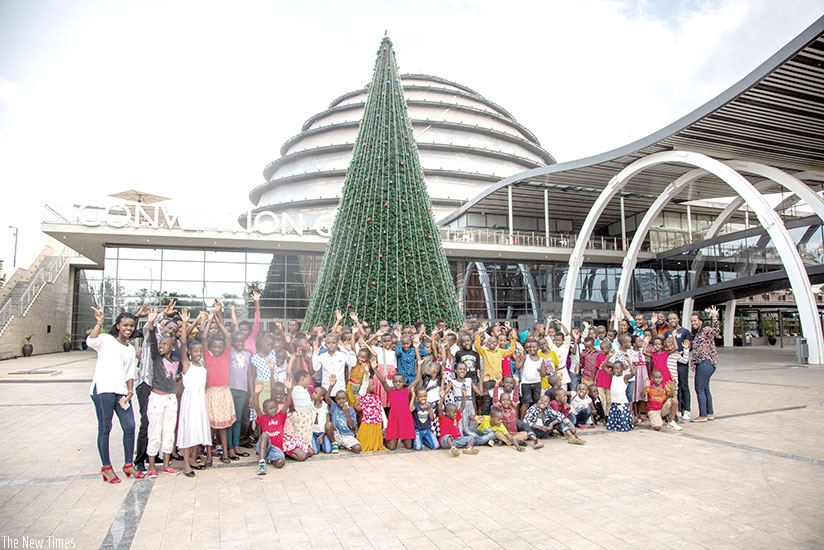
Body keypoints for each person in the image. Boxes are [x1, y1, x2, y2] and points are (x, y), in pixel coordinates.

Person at [87, 307, 140, 484]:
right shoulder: (106, 340)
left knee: (130, 426)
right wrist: (99, 323)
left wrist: (130, 392)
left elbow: (130, 372)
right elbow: (90, 341)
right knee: (105, 427)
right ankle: (106, 468)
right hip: (103, 389)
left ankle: (128, 465)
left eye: (132, 325)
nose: (129, 328)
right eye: (125, 325)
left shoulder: (131, 349)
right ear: (118, 326)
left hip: (121, 392)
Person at [145, 307, 189, 477]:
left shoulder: (176, 362)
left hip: (171, 399)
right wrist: (151, 323)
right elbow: (151, 342)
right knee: (154, 431)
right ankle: (151, 467)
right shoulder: (157, 358)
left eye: (165, 344)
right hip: (157, 398)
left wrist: (185, 324)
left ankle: (166, 464)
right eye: (161, 344)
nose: (161, 346)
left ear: (172, 347)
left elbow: (184, 344)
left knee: (169, 431)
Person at [176, 315, 212, 477]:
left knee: (198, 429)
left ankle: (193, 459)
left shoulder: (202, 365)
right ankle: (185, 465)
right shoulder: (186, 364)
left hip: (200, 400)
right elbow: (183, 342)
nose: (198, 354)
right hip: (190, 400)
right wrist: (187, 323)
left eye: (199, 351)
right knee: (189, 430)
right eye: (195, 351)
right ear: (189, 353)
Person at [690, 306, 720, 422]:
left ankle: (703, 414)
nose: (693, 323)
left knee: (699, 388)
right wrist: (693, 362)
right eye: (692, 321)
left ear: (700, 321)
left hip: (706, 362)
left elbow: (716, 331)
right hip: (700, 363)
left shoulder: (706, 330)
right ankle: (709, 413)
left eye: (695, 321)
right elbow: (696, 350)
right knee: (705, 388)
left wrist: (714, 317)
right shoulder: (698, 335)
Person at [375, 370, 416, 450]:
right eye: (396, 381)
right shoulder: (391, 391)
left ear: (403, 382)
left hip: (405, 419)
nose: (398, 383)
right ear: (393, 382)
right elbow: (383, 381)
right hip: (394, 419)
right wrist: (374, 369)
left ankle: (403, 439)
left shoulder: (406, 391)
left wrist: (419, 364)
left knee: (409, 446)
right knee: (392, 447)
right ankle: (385, 440)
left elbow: (417, 380)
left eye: (400, 381)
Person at [664, 312, 693, 421]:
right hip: (671, 362)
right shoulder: (668, 333)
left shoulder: (685, 331)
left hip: (681, 361)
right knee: (675, 386)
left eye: (674, 318)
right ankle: (678, 408)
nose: (672, 320)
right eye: (670, 319)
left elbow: (688, 346)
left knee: (684, 385)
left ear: (678, 319)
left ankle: (687, 409)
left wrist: (683, 351)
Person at [324, 375, 362, 454]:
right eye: (338, 399)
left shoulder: (351, 410)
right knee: (328, 425)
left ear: (347, 399)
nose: (341, 401)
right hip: (337, 434)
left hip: (347, 435)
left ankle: (344, 444)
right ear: (336, 400)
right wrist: (331, 386)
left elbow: (352, 427)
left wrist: (347, 413)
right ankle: (334, 444)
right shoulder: (334, 407)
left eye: (343, 398)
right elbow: (327, 398)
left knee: (358, 448)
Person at [438, 387, 479, 455]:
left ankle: (468, 448)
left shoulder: (455, 418)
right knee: (448, 436)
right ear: (447, 413)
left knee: (471, 438)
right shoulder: (443, 418)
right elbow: (439, 409)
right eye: (453, 412)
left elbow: (462, 407)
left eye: (456, 412)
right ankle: (453, 449)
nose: (456, 414)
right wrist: (442, 398)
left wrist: (464, 396)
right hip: (445, 441)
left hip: (456, 440)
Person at [354, 368, 387, 452]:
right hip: (367, 424)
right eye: (373, 384)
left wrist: (385, 423)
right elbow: (364, 384)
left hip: (377, 424)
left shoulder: (377, 397)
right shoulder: (363, 395)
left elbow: (381, 411)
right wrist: (366, 373)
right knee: (366, 445)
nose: (375, 386)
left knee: (375, 446)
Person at [606, 352, 635, 432]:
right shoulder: (613, 376)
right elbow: (604, 366)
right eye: (614, 368)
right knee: (614, 419)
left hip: (622, 402)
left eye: (618, 368)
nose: (615, 370)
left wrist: (629, 361)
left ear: (622, 368)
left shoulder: (624, 377)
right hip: (614, 402)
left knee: (623, 418)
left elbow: (633, 373)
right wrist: (609, 356)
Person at [310, 386, 332, 455]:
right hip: (312, 432)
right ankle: (318, 444)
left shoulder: (325, 407)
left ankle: (322, 443)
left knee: (328, 450)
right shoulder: (310, 405)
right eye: (313, 392)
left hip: (323, 433)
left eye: (315, 393)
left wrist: (323, 435)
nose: (313, 393)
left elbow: (328, 422)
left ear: (321, 397)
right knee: (315, 451)